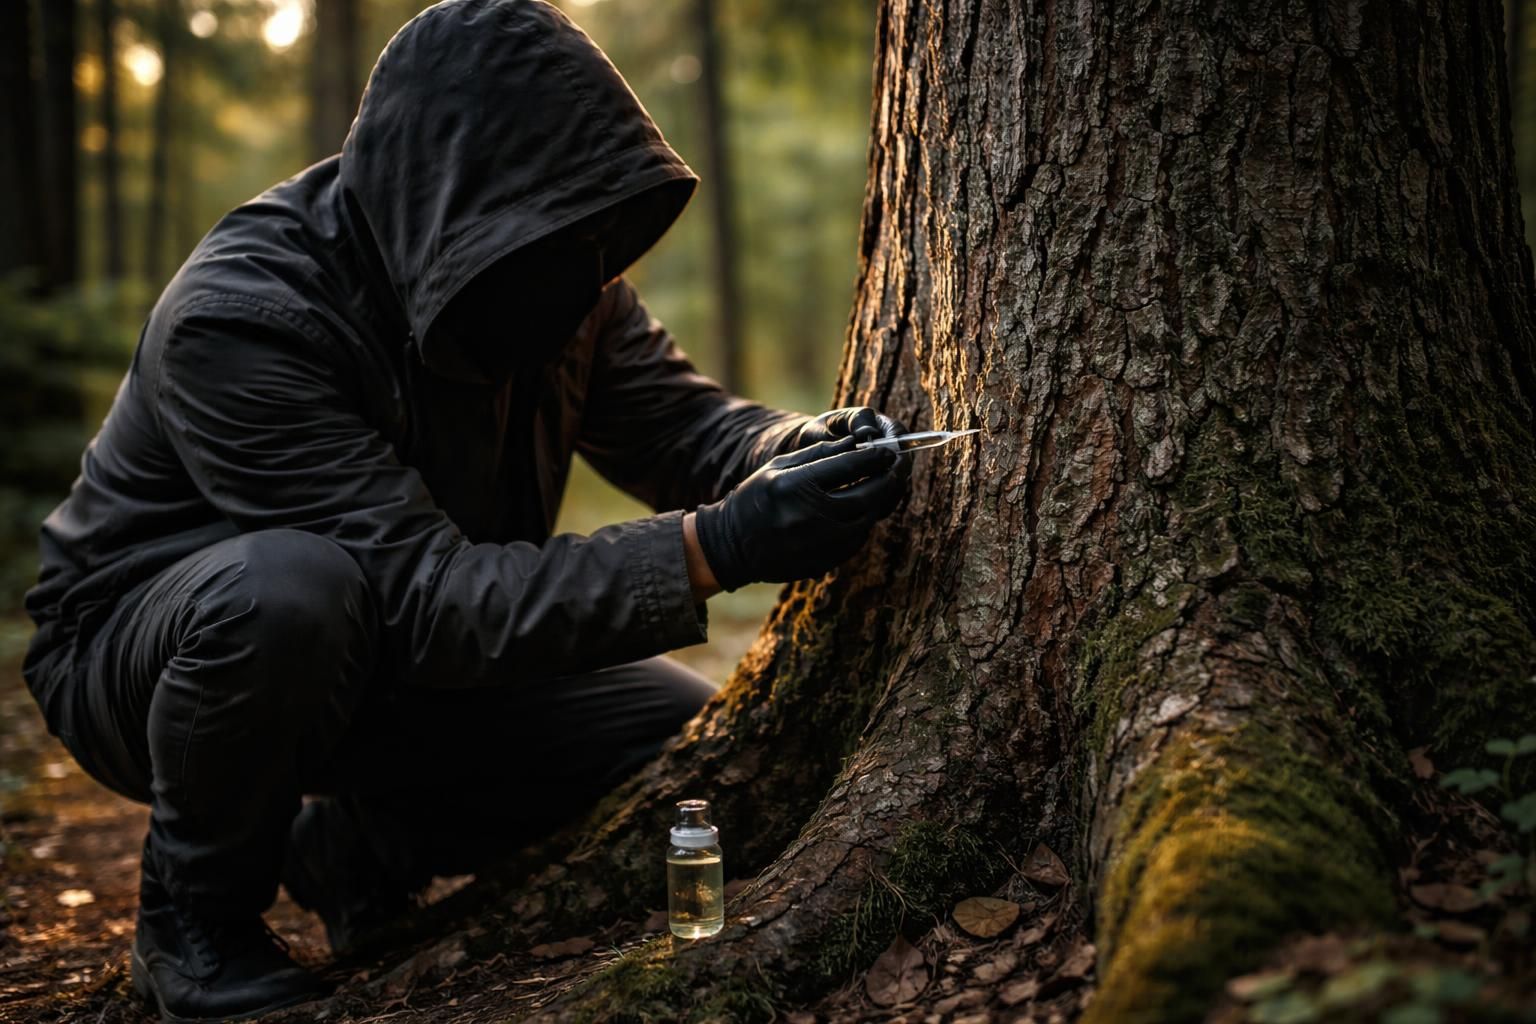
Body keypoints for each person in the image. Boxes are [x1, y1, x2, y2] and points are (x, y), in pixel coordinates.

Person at [21, 0, 909, 1020]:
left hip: (399, 650)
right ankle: (193, 920)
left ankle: (354, 847)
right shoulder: (246, 318)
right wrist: (721, 544)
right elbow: (424, 597)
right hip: (155, 656)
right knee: (288, 593)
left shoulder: (562, 282)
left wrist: (792, 451)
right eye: (550, 226)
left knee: (674, 737)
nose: (585, 273)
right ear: (453, 197)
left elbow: (684, 430)